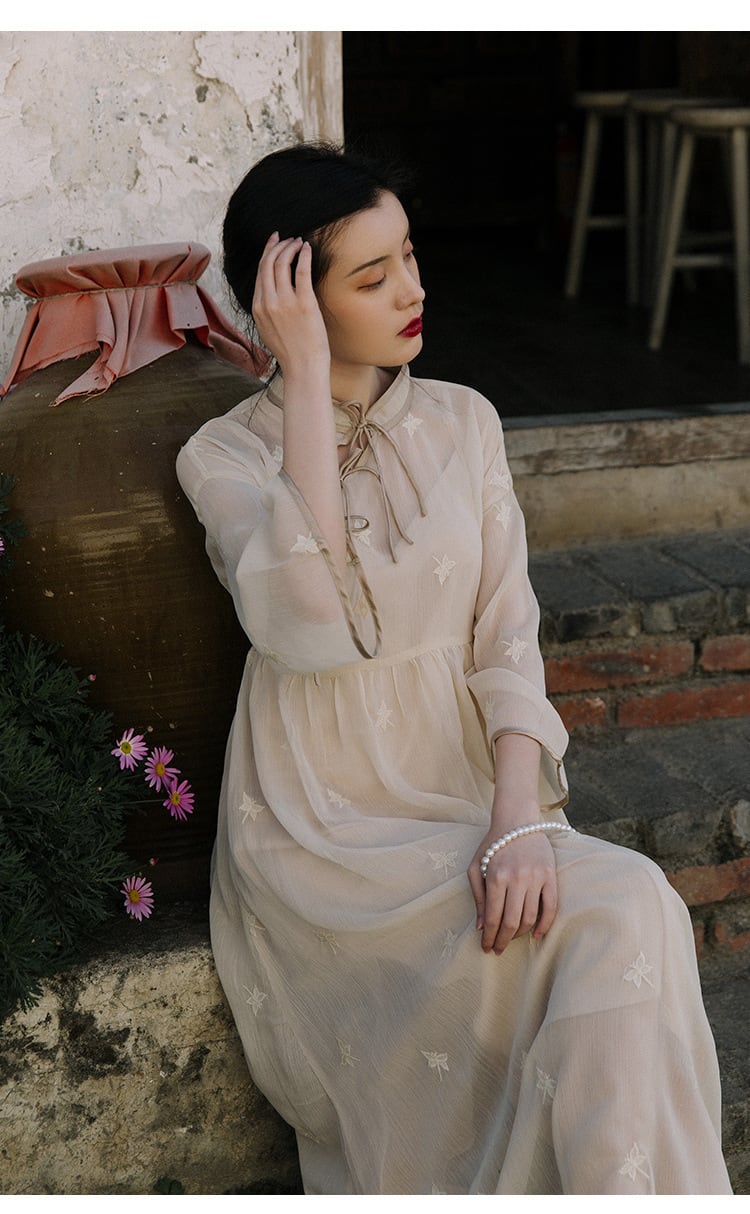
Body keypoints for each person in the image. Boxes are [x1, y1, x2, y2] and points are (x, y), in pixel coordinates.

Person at [175, 142, 733, 1195]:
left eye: (411, 256)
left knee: (632, 907)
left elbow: (507, 633)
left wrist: (518, 818)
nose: (413, 290)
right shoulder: (222, 456)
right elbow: (309, 627)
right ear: (293, 300)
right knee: (621, 912)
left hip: (470, 787)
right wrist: (304, 381)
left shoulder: (465, 418)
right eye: (371, 275)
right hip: (325, 823)